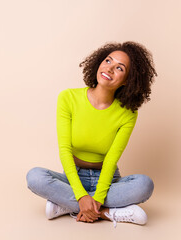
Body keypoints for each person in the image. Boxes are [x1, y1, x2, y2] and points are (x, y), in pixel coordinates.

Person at [26, 41, 157, 227]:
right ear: (99, 62)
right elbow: (64, 150)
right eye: (108, 61)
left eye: (119, 68)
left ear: (128, 79)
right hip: (72, 178)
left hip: (107, 180)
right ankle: (107, 212)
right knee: (35, 177)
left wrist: (99, 194)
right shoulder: (68, 98)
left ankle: (67, 206)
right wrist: (80, 195)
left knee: (145, 185)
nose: (110, 69)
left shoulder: (128, 113)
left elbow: (112, 159)